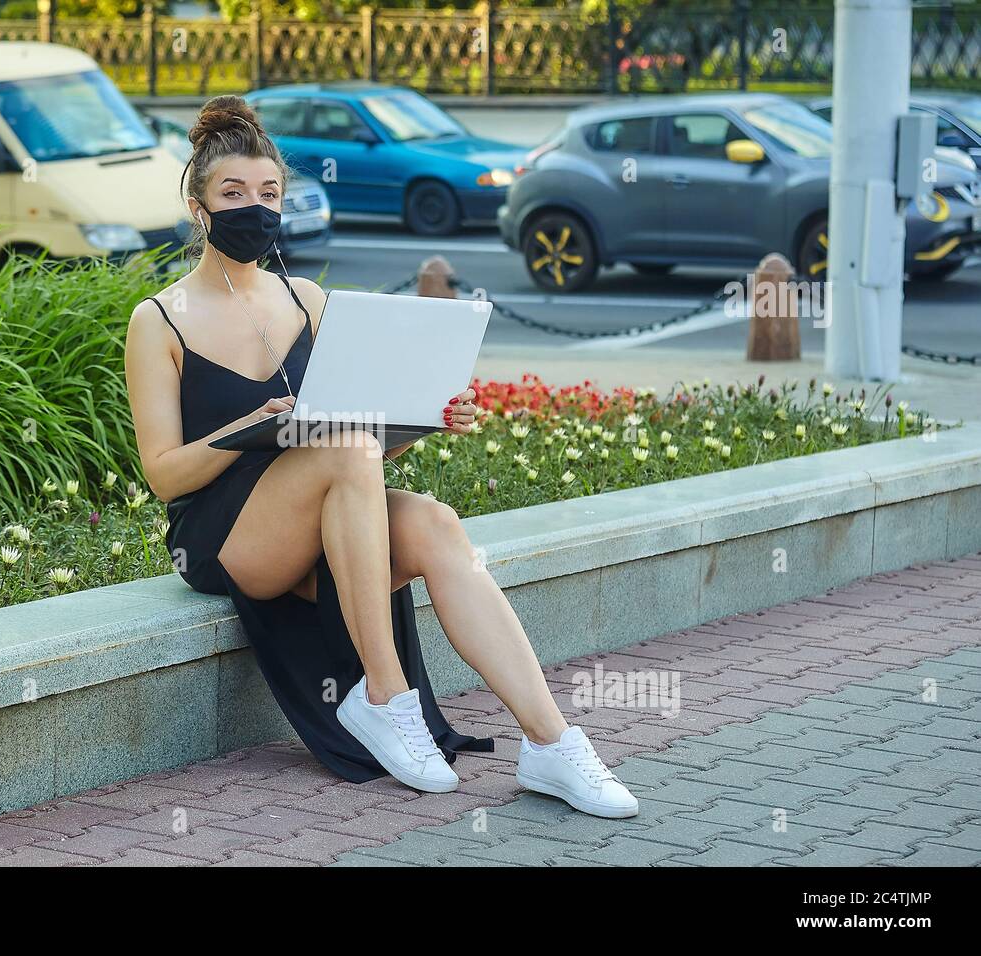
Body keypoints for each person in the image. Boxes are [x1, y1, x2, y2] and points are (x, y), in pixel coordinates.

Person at [124, 95, 638, 818]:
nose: (256, 207)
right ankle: (387, 695)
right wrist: (252, 423)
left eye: (269, 193)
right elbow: (163, 474)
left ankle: (552, 744)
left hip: (322, 506)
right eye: (234, 194)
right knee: (343, 449)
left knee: (436, 523)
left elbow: (361, 449)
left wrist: (429, 420)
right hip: (226, 534)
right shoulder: (158, 320)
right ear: (198, 206)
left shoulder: (307, 300)